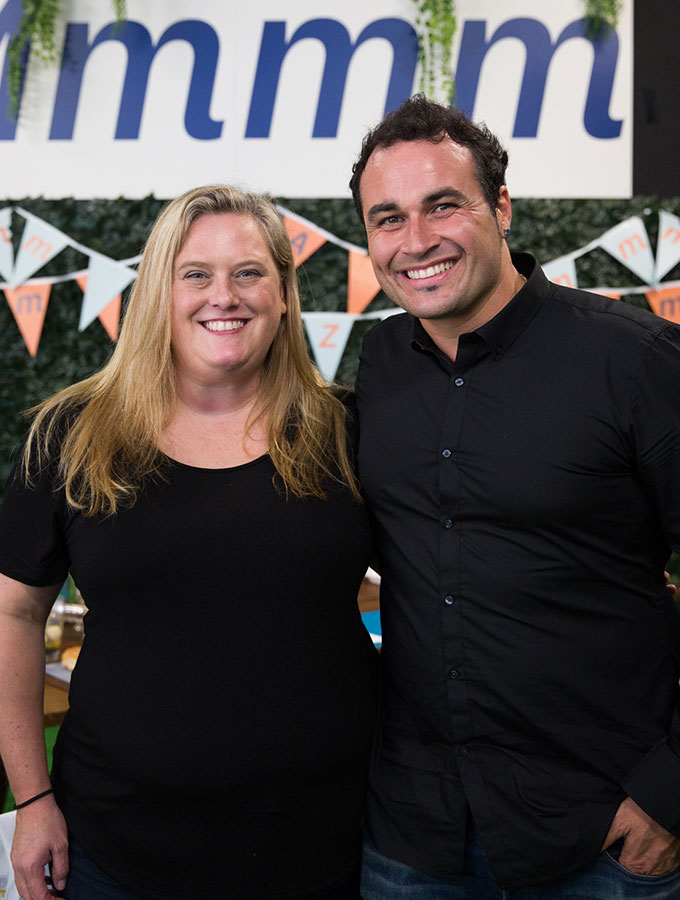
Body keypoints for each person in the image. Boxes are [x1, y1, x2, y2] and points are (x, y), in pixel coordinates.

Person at [0, 185, 378, 900]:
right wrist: (32, 800)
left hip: (328, 847)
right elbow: (11, 613)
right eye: (195, 273)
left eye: (249, 272)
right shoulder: (73, 434)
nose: (223, 296)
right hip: (116, 852)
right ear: (156, 293)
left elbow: (451, 574)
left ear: (286, 293)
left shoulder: (348, 433)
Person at [349, 95, 680, 898]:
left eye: (443, 206)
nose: (416, 240)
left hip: (600, 837)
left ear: (500, 207)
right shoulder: (381, 360)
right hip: (412, 837)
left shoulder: (634, 360)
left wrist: (671, 792)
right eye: (387, 218)